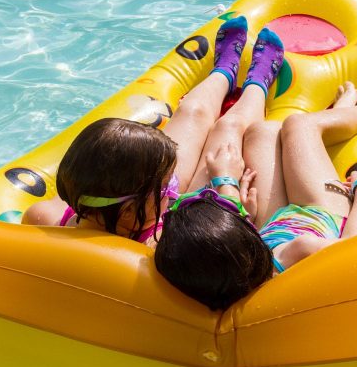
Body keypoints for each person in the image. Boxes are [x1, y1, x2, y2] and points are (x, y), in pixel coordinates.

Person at [22, 16, 284, 246]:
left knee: (191, 111)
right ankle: (257, 84)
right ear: (127, 209)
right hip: (189, 214)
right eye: (165, 186)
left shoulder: (43, 217)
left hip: (138, 200)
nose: (172, 185)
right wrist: (227, 185)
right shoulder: (158, 245)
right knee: (229, 127)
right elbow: (228, 244)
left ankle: (224, 71)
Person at [156, 82, 357, 310]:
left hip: (273, 224)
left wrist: (248, 214)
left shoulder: (221, 278)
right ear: (243, 239)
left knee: (261, 132)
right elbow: (353, 248)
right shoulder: (299, 249)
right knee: (298, 125)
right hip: (322, 214)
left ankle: (332, 124)